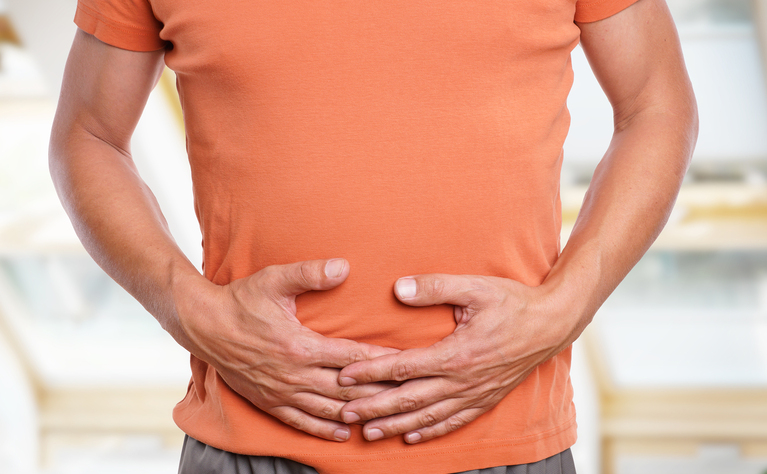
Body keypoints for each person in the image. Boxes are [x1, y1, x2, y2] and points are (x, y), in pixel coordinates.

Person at [49, 0, 698, 472]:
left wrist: (562, 310)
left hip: (505, 442)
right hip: (249, 444)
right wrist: (187, 308)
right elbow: (88, 135)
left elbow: (657, 107)